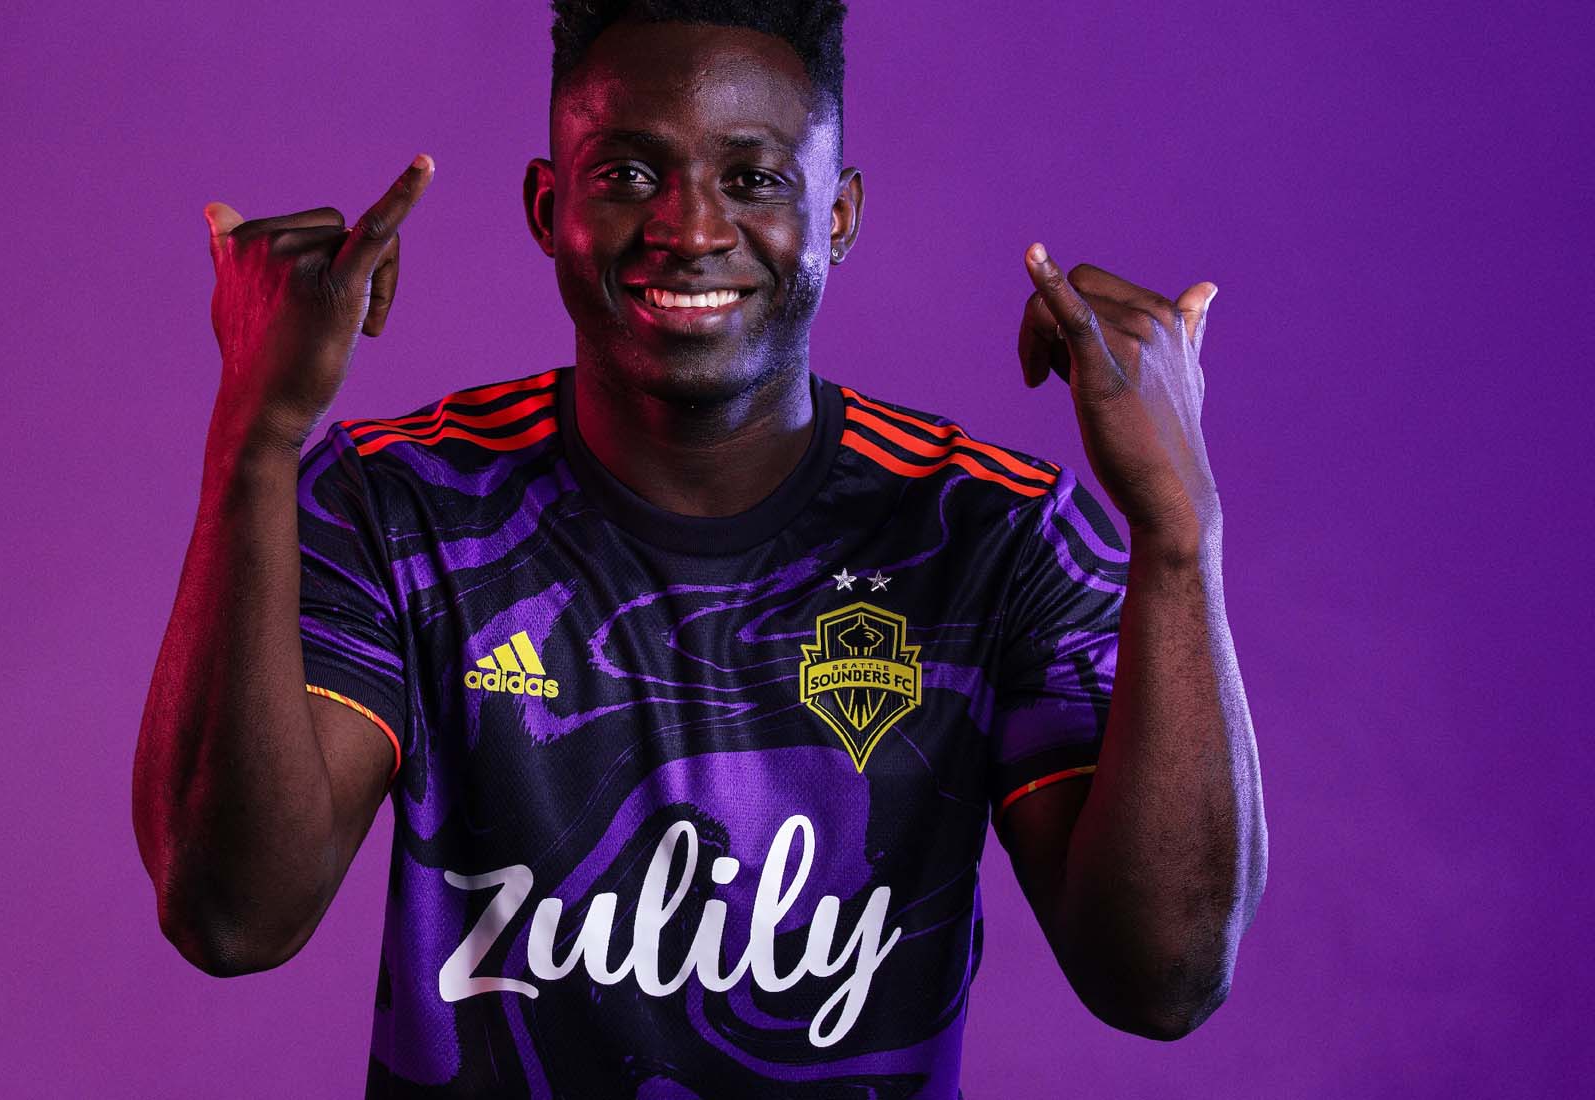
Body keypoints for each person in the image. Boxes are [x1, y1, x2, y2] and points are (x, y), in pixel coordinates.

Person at [133, 1, 1268, 1094]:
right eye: (629, 174)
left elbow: (1163, 978)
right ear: (546, 208)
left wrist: (1179, 534)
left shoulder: (995, 533)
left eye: (754, 178)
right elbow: (232, 916)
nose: (689, 231)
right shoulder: (402, 506)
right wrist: (255, 439)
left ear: (838, 215)